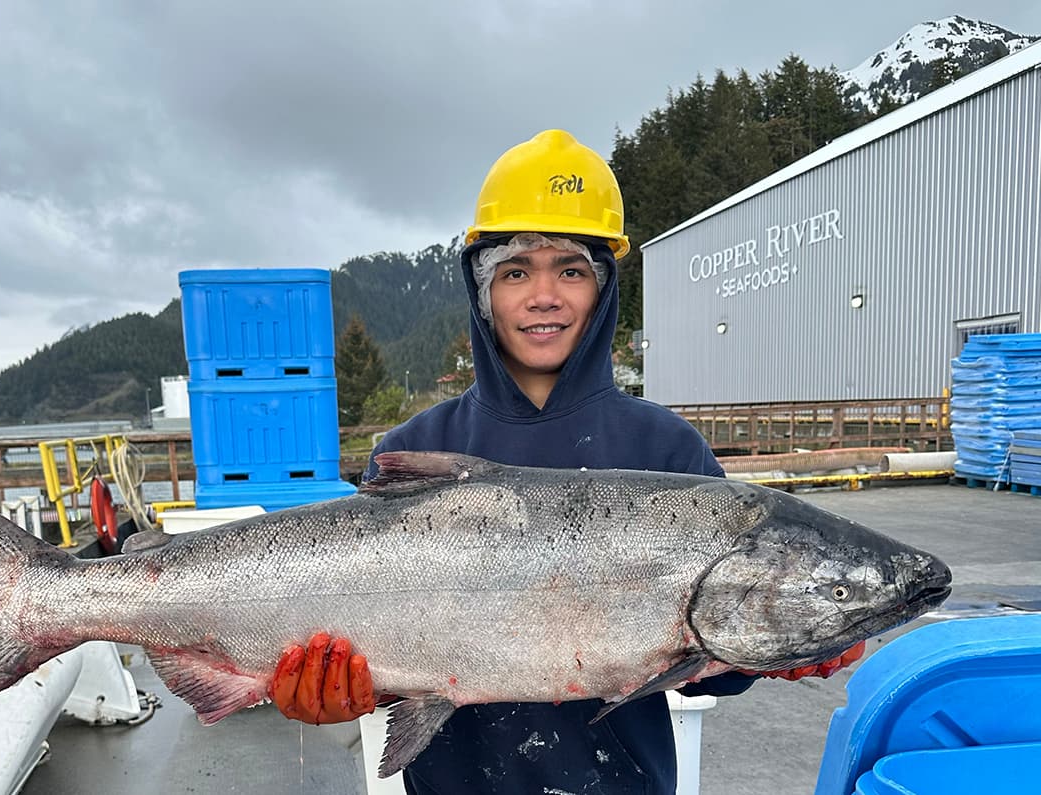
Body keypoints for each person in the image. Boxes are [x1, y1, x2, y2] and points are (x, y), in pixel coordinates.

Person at [270, 129, 863, 793]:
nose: (543, 294)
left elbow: (711, 651)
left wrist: (783, 643)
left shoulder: (668, 452)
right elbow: (383, 656)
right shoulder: (408, 450)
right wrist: (329, 690)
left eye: (571, 269)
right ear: (481, 289)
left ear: (604, 287)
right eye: (516, 270)